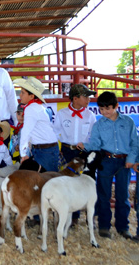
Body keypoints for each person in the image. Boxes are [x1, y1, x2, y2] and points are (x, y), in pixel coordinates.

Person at [78, 92, 138, 240]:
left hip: (124, 162)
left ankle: (123, 227)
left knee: (122, 195)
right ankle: (104, 226)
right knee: (103, 195)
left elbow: (135, 143)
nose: (104, 112)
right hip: (106, 161)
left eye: (108, 108)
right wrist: (84, 146)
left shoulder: (128, 122)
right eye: (101, 109)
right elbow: (96, 144)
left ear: (116, 106)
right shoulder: (98, 125)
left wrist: (131, 158)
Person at [53, 84, 96, 226]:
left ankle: (84, 217)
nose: (88, 99)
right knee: (67, 182)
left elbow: (92, 135)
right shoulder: (62, 114)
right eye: (85, 96)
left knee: (83, 182)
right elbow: (56, 132)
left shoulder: (90, 115)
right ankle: (67, 216)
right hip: (67, 151)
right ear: (75, 98)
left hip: (84, 152)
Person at [13, 77, 58, 172]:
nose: (20, 95)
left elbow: (26, 132)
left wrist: (23, 153)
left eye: (23, 93)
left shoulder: (31, 108)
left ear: (32, 96)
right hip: (45, 149)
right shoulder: (36, 107)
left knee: (46, 180)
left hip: (45, 150)